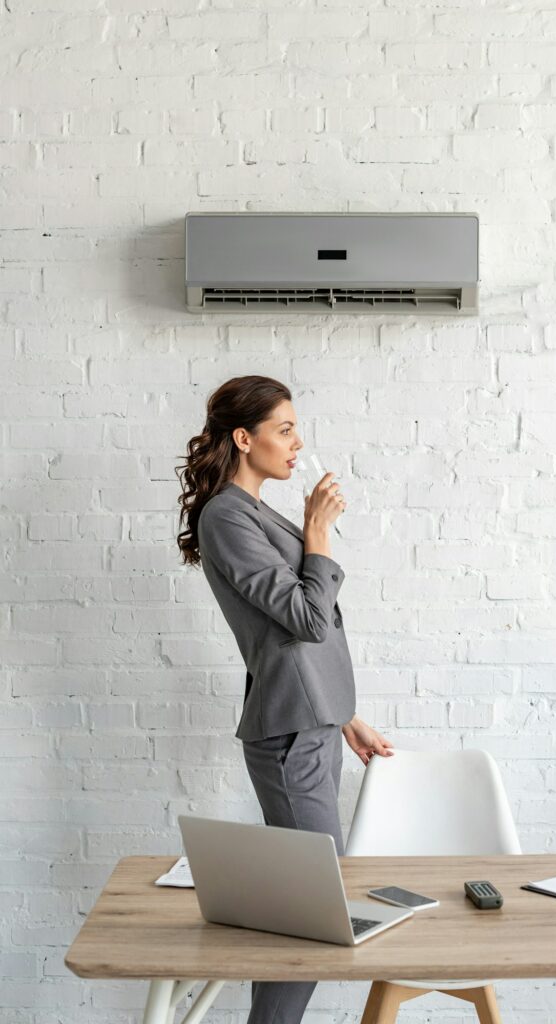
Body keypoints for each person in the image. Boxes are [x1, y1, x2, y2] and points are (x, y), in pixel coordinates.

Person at [176, 374, 394, 1024]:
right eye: (284, 429)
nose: (298, 443)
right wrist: (319, 530)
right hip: (290, 733)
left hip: (311, 722)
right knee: (314, 915)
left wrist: (342, 714)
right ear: (245, 438)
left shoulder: (255, 512)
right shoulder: (226, 517)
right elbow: (305, 619)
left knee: (305, 915)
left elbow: (291, 642)